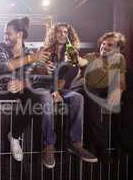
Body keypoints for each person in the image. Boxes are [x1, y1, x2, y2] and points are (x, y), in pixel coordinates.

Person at [0, 16, 58, 171]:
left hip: (19, 89)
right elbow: (3, 66)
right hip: (0, 87)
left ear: (19, 34)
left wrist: (44, 69)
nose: (5, 36)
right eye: (4, 33)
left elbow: (35, 76)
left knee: (35, 97)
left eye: (8, 33)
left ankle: (15, 135)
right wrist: (32, 58)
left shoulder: (30, 52)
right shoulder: (0, 47)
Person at [43, 22, 97, 163]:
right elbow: (45, 75)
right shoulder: (46, 51)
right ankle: (49, 146)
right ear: (54, 34)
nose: (62, 34)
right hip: (46, 88)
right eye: (59, 31)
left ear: (69, 35)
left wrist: (76, 59)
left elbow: (83, 65)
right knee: (47, 102)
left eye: (65, 32)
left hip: (62, 90)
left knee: (78, 97)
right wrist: (54, 91)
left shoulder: (71, 51)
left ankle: (75, 143)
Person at [74, 32, 127, 161]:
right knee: (91, 92)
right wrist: (75, 58)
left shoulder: (119, 59)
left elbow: (122, 82)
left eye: (110, 45)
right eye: (103, 44)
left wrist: (118, 90)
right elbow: (81, 61)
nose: (104, 46)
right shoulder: (92, 56)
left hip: (101, 90)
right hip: (82, 89)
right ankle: (100, 145)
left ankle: (123, 144)